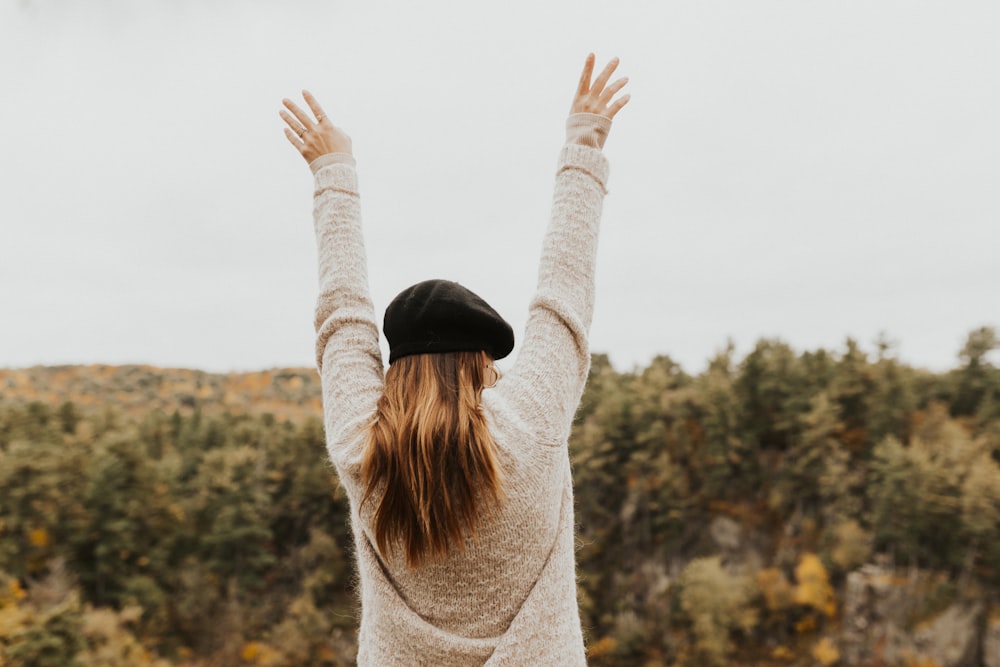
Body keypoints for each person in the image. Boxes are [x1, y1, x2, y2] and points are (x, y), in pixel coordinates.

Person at [280, 53, 629, 666]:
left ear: (394, 368)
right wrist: (584, 144)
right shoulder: (527, 428)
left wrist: (332, 172)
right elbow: (563, 295)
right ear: (481, 366)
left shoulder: (362, 450)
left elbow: (343, 319)